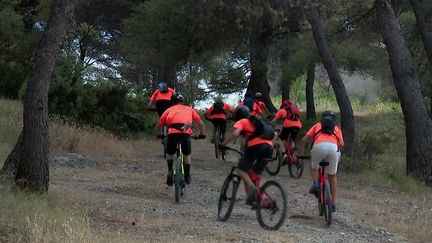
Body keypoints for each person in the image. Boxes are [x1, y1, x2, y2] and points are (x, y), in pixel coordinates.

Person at [220, 106, 274, 205]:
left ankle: (252, 188)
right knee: (255, 173)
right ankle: (256, 198)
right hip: (269, 147)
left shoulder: (243, 121)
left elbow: (236, 134)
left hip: (256, 147)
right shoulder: (259, 120)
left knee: (241, 169)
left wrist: (224, 144)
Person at [294, 111, 344, 212]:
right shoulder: (337, 128)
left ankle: (316, 183)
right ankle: (333, 204)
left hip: (319, 147)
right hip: (333, 149)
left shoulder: (317, 125)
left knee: (314, 167)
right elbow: (342, 144)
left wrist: (299, 154)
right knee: (332, 176)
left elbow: (304, 140)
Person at [159, 93, 205, 186]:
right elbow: (201, 124)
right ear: (182, 102)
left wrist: (160, 134)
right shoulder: (189, 109)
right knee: (187, 154)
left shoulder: (169, 109)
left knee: (169, 153)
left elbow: (160, 123)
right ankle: (187, 175)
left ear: (172, 102)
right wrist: (201, 134)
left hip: (172, 134)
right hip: (185, 134)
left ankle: (170, 170)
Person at [271, 99, 302, 164]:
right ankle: (293, 155)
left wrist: (269, 124)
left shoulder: (282, 110)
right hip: (298, 126)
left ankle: (284, 154)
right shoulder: (295, 110)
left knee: (282, 139)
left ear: (284, 106)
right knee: (291, 140)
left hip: (288, 125)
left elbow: (274, 120)